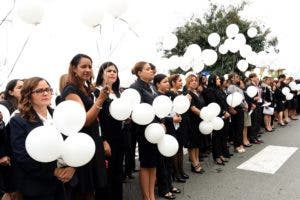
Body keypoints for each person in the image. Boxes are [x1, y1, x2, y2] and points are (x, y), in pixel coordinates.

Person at [9, 77, 70, 200]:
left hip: (65, 181)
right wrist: (54, 171)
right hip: (37, 186)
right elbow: (22, 156)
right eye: (39, 90)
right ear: (28, 95)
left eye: (48, 89)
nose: (46, 93)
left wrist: (73, 167)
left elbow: (72, 142)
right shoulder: (19, 120)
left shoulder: (59, 114)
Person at [61, 54, 109, 200]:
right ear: (74, 69)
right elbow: (84, 120)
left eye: (90, 66)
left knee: (92, 188)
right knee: (84, 190)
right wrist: (100, 100)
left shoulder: (86, 88)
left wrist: (102, 140)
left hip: (93, 140)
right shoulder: (70, 90)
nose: (88, 69)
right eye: (83, 66)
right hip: (81, 145)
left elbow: (95, 118)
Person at [94, 61, 124, 200]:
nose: (112, 73)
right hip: (106, 139)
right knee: (106, 177)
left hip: (120, 136)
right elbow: (96, 119)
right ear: (102, 74)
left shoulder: (118, 93)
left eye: (115, 71)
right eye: (109, 71)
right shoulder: (96, 92)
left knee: (118, 173)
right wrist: (103, 140)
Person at [130, 61, 158, 200]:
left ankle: (151, 194)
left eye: (151, 69)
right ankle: (146, 197)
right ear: (139, 72)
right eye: (147, 69)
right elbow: (139, 112)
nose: (151, 70)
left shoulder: (151, 86)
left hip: (156, 129)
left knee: (153, 164)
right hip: (144, 130)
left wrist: (161, 123)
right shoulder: (135, 88)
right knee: (146, 164)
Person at [0, 79, 23, 200]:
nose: (23, 89)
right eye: (19, 87)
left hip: (16, 155)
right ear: (10, 91)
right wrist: (1, 154)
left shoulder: (24, 105)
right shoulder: (4, 105)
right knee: (11, 192)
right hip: (6, 158)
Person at [203, 75, 231, 165]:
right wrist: (223, 112)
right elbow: (213, 103)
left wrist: (226, 111)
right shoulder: (209, 90)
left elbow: (223, 101)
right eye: (217, 79)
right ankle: (216, 156)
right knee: (216, 137)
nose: (219, 80)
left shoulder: (219, 89)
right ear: (213, 80)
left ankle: (221, 154)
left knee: (223, 136)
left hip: (224, 116)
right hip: (216, 117)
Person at [168, 74, 189, 182]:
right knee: (175, 149)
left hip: (183, 122)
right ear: (173, 82)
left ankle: (181, 170)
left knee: (180, 148)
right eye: (179, 81)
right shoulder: (170, 94)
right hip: (175, 124)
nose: (181, 83)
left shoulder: (180, 93)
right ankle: (175, 172)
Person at [185, 74, 205, 173]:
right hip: (192, 121)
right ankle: (194, 163)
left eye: (195, 80)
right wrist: (204, 114)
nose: (194, 82)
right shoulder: (188, 94)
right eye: (191, 80)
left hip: (199, 120)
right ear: (188, 82)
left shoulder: (197, 92)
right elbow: (192, 108)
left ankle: (197, 161)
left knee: (197, 143)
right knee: (192, 144)